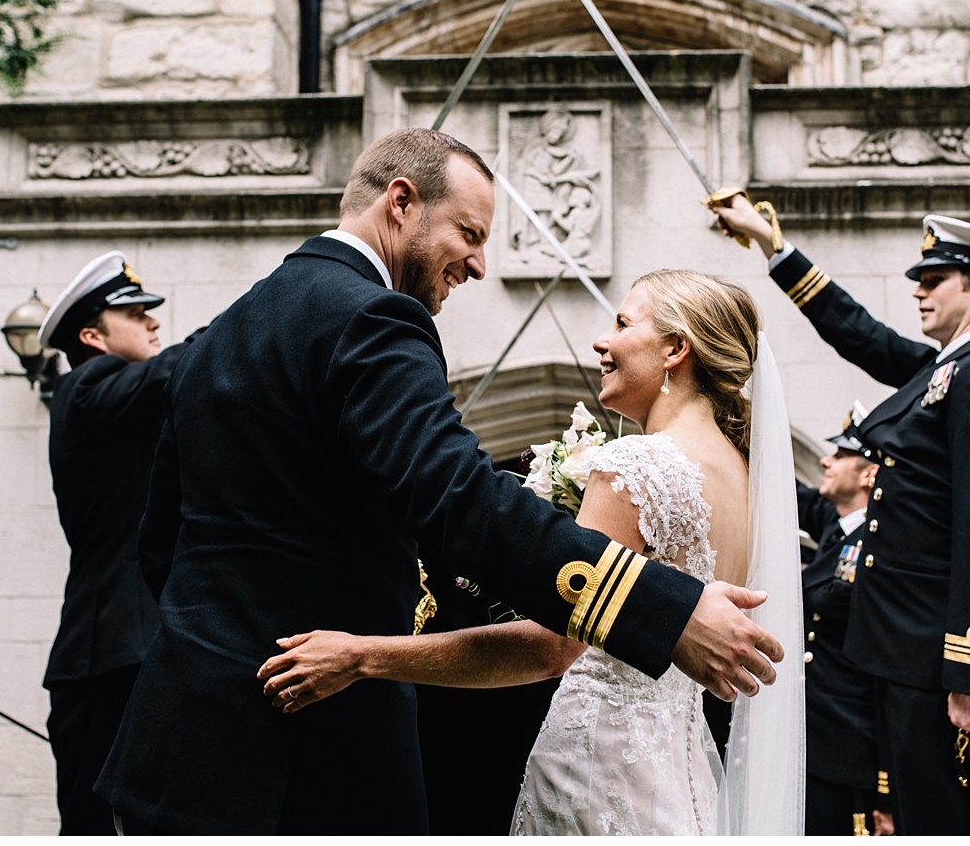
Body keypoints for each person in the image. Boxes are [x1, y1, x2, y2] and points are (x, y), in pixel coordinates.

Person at [94, 129, 785, 834]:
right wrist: (658, 608)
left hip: (172, 746)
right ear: (402, 203)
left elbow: (159, 542)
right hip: (306, 755)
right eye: (469, 233)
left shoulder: (220, 332)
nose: (481, 264)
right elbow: (458, 498)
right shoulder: (375, 319)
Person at [257, 269, 806, 835]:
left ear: (675, 349)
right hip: (684, 774)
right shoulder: (746, 478)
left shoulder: (635, 466)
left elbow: (552, 649)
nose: (602, 341)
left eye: (621, 323)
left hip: (599, 766)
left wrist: (362, 657)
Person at [709, 194, 970, 835]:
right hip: (897, 650)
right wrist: (775, 248)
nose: (918, 292)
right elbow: (858, 334)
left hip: (939, 656)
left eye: (934, 280)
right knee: (913, 820)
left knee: (943, 822)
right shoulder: (942, 369)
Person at [38, 252, 194, 835]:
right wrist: (267, 312)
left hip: (139, 650)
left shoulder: (124, 406)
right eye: (133, 313)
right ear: (91, 336)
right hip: (108, 657)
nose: (153, 322)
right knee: (95, 828)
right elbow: (173, 370)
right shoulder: (84, 387)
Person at [799, 403, 893, 836]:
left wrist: (884, 787)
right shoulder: (836, 528)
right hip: (815, 737)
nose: (824, 459)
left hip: (849, 747)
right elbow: (781, 489)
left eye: (839, 456)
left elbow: (886, 667)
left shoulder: (882, 544)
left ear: (868, 473)